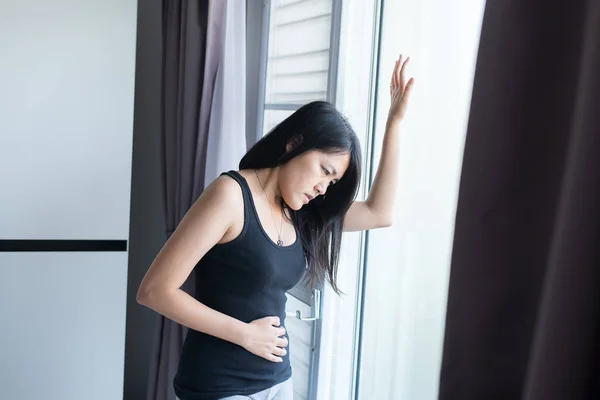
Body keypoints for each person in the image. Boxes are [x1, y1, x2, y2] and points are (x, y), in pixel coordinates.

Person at [137, 55, 414, 400]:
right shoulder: (230, 196)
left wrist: (396, 122)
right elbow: (154, 291)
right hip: (218, 386)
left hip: (278, 383)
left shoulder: (302, 211)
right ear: (293, 144)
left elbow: (379, 213)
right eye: (324, 171)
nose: (323, 188)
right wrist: (244, 334)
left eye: (333, 182)